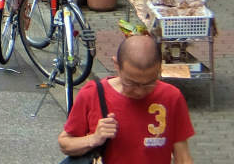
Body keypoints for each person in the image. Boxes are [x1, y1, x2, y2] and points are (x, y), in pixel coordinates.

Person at [58, 34, 195, 164]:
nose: (140, 91)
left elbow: (183, 157)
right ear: (116, 65)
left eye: (149, 83)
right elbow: (65, 144)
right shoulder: (92, 94)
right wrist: (94, 138)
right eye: (131, 83)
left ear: (159, 69)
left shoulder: (171, 97)